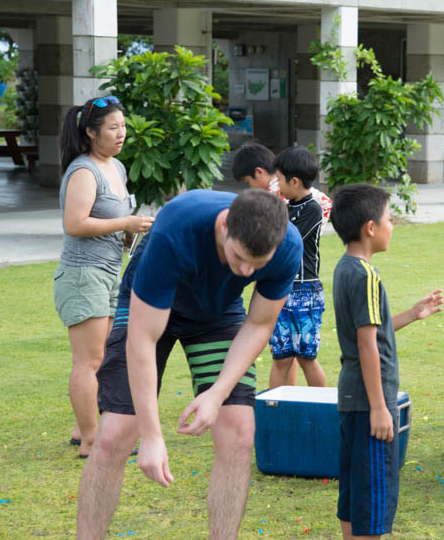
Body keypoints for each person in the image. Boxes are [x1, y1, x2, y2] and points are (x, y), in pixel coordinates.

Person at [76, 189, 301, 539]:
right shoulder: (176, 229)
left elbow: (258, 324)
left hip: (217, 312)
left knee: (239, 431)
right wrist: (151, 436)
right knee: (116, 432)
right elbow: (143, 340)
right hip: (151, 305)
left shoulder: (286, 247)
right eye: (239, 256)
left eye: (256, 266)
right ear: (224, 224)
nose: (245, 271)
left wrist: (217, 394)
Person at [330, 184, 443, 539]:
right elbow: (367, 346)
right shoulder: (365, 276)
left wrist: (413, 313)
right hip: (368, 404)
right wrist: (381, 408)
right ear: (370, 227)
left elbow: (371, 331)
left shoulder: (345, 268)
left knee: (353, 496)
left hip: (351, 399)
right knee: (373, 502)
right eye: (388, 219)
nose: (392, 225)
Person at [55, 95, 153, 458]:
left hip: (111, 272)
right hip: (84, 274)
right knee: (90, 359)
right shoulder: (84, 170)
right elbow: (75, 223)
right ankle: (93, 441)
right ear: (91, 133)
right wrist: (126, 222)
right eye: (113, 128)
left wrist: (126, 233)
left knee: (109, 355)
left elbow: (106, 218)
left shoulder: (117, 167)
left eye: (123, 126)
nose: (121, 133)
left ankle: (86, 428)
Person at [268, 147, 328, 389]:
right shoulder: (283, 205)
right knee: (280, 357)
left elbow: (284, 240)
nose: (276, 184)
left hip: (305, 291)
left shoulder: (312, 208)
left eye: (279, 179)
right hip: (280, 289)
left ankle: (324, 411)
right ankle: (273, 412)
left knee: (306, 358)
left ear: (294, 181)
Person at [232, 142, 333, 220]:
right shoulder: (281, 183)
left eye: (247, 181)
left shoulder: (276, 189)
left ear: (259, 172)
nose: (250, 187)